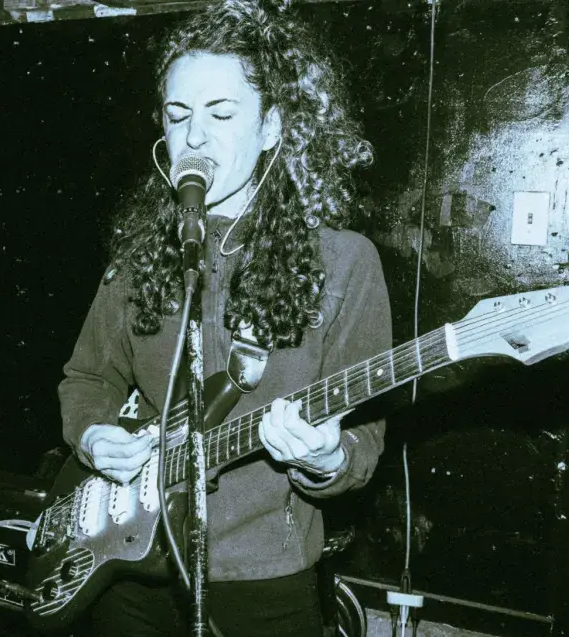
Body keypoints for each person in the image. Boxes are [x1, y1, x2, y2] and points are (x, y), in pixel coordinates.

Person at [58, 1, 392, 635]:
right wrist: (94, 435)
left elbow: (362, 447)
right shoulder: (139, 257)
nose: (196, 137)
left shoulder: (345, 261)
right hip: (127, 567)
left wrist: (324, 459)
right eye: (178, 116)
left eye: (222, 113)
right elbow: (87, 378)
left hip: (264, 578)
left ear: (272, 127)